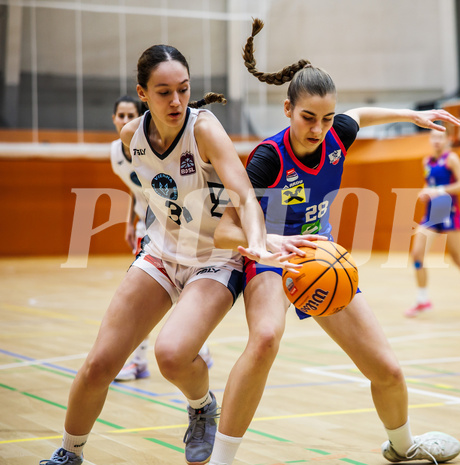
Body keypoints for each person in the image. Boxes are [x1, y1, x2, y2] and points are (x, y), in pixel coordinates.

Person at [207, 18, 460, 465]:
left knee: (387, 370)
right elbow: (225, 229)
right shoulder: (268, 158)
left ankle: (403, 447)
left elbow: (359, 116)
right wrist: (265, 246)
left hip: (321, 260)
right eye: (308, 117)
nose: (319, 128)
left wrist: (412, 116)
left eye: (327, 118)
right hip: (270, 257)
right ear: (287, 110)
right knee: (265, 338)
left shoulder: (338, 134)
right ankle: (222, 459)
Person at [39, 44, 296, 465]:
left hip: (216, 258)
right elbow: (157, 191)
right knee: (100, 363)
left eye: (183, 89)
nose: (176, 100)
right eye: (163, 92)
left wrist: (258, 242)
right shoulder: (130, 138)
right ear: (143, 94)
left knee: (171, 356)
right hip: (161, 251)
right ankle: (70, 453)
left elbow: (247, 196)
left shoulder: (204, 130)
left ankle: (200, 406)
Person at [108, 94, 214, 382]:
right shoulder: (117, 152)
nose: (125, 121)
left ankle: (188, 347)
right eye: (120, 115)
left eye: (131, 115)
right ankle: (145, 359)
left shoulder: (161, 143)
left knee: (181, 285)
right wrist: (132, 220)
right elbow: (139, 186)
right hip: (148, 225)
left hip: (179, 223)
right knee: (155, 291)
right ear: (114, 119)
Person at [405, 127, 460, 319]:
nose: (436, 140)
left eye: (440, 137)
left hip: (450, 213)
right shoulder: (426, 161)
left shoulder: (452, 159)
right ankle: (422, 299)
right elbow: (429, 183)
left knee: (457, 257)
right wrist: (424, 191)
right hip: (431, 214)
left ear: (447, 139)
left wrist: (439, 190)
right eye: (433, 137)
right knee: (417, 254)